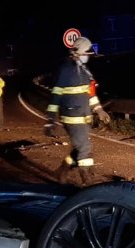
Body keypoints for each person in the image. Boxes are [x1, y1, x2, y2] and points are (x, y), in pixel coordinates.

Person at [44, 37, 110, 185]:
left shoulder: (84, 71)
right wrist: (51, 119)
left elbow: (90, 94)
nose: (88, 56)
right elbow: (55, 96)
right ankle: (88, 182)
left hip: (84, 116)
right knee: (85, 148)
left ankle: (62, 171)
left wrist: (99, 110)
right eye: (86, 53)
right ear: (78, 52)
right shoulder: (65, 70)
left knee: (79, 146)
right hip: (72, 117)